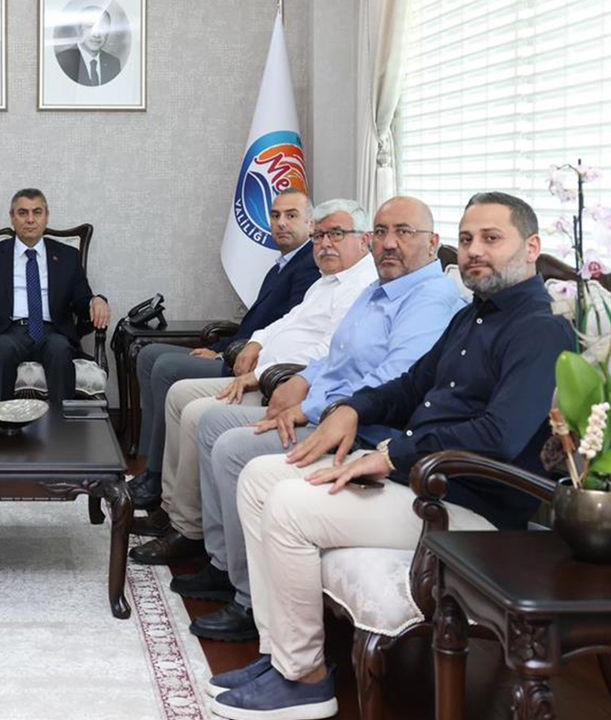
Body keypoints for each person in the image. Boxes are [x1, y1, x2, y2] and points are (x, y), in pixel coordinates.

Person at [208, 192, 576, 720]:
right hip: (417, 480)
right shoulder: (472, 317)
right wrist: (352, 408)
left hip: (467, 505)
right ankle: (280, 657)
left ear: (531, 247)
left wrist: (391, 454)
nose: (474, 250)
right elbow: (410, 384)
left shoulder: (541, 329)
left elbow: (499, 434)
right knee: (261, 476)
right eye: (467, 239)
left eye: (491, 239)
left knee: (288, 506)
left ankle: (305, 681)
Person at [180, 196, 465, 642]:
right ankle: (224, 565)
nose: (389, 243)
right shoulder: (379, 289)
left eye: (404, 232)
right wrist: (302, 380)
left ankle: (248, 599)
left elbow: (393, 381)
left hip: (359, 431)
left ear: (434, 243)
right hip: (323, 405)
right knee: (215, 425)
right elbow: (334, 355)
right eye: (382, 233)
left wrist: (308, 408)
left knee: (234, 448)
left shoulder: (430, 299)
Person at [129, 199, 376, 564]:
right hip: (259, 369)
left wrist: (258, 373)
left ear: (365, 240)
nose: (325, 243)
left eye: (336, 234)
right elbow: (286, 321)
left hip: (282, 386)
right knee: (179, 394)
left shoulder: (362, 286)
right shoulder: (327, 280)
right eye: (321, 235)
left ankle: (188, 530)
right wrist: (256, 341)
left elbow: (328, 351)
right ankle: (171, 510)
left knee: (193, 409)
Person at [128, 189, 320, 510]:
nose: (281, 223)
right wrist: (218, 347)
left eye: (291, 216)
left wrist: (222, 353)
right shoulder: (282, 265)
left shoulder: (310, 267)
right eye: (275, 216)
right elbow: (255, 326)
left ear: (311, 224)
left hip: (255, 367)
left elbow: (286, 332)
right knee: (148, 355)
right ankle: (152, 462)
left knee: (165, 367)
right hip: (238, 351)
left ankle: (156, 476)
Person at [0, 188, 111, 405]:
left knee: (60, 349)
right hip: (7, 332)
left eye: (37, 212)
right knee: (3, 350)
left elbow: (83, 299)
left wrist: (96, 301)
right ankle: (1, 420)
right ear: (12, 218)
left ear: (46, 217)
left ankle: (60, 423)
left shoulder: (68, 256)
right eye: (23, 213)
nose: (30, 220)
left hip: (51, 331)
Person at [55, 6, 122, 86]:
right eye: (90, 26)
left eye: (103, 28)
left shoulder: (114, 63)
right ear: (79, 29)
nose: (96, 35)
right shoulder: (63, 61)